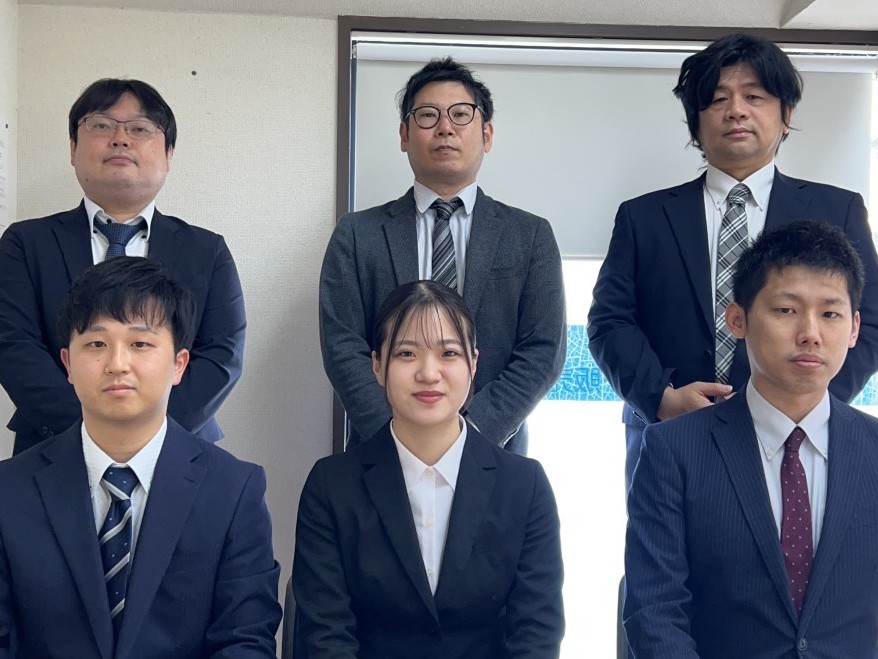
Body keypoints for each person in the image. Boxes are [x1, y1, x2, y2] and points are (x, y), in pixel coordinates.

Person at [587, 33, 878, 486]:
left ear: (786, 115)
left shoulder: (837, 209)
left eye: (754, 96)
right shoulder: (643, 217)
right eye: (718, 99)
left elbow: (869, 320)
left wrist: (807, 402)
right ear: (695, 122)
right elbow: (610, 322)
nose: (736, 110)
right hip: (671, 431)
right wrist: (660, 398)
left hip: (801, 435)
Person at [0, 256, 280, 658]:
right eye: (97, 344)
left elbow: (245, 640)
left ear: (179, 364)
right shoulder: (9, 491)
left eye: (140, 344)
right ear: (68, 365)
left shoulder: (233, 491)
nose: (117, 364)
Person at [623, 220, 878, 658]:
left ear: (854, 328)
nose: (810, 333)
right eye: (787, 310)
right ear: (737, 319)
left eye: (830, 314)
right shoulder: (674, 450)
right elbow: (654, 610)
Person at [294, 280, 564, 658]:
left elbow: (535, 636)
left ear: (473, 363)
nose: (429, 372)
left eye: (448, 353)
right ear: (377, 365)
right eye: (407, 353)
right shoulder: (331, 486)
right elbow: (326, 637)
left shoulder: (524, 486)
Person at [319, 57, 566, 455]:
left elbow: (543, 351)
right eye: (428, 115)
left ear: (486, 134)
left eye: (461, 115)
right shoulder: (357, 234)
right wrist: (398, 437)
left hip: (494, 453)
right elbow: (342, 346)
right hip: (381, 453)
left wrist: (471, 436)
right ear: (404, 135)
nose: (445, 128)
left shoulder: (530, 235)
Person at [0, 78, 246, 454]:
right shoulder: (25, 243)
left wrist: (147, 437)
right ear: (73, 148)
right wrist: (94, 437)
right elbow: (13, 345)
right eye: (101, 125)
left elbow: (222, 354)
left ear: (168, 154)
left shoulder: (207, 250)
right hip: (52, 450)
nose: (120, 139)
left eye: (140, 129)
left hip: (179, 450)